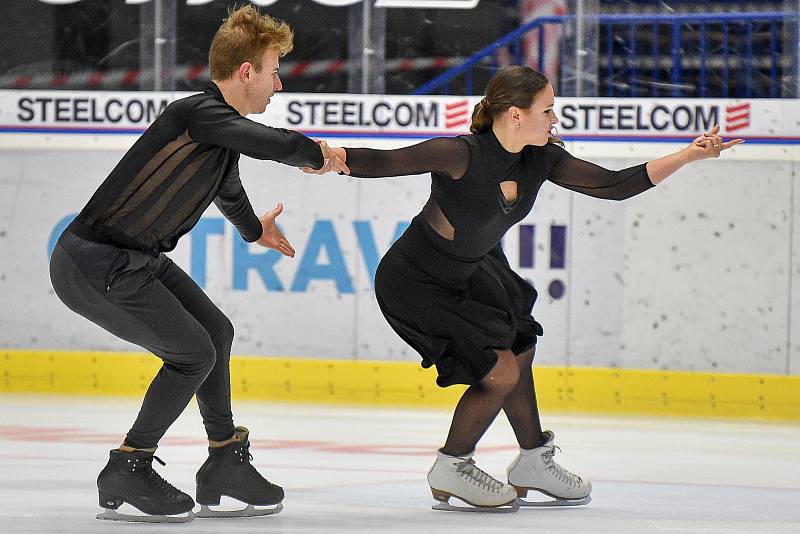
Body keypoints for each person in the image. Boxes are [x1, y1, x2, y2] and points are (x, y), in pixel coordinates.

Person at [303, 66, 742, 512]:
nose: (555, 119)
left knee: (520, 342)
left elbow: (614, 185)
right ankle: (452, 465)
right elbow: (389, 161)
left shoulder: (542, 158)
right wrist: (332, 155)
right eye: (547, 110)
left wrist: (688, 155)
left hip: (474, 268)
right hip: (416, 279)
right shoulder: (462, 154)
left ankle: (532, 458)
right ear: (515, 115)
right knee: (501, 372)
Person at [49, 5, 348, 524]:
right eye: (275, 71)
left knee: (216, 331)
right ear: (246, 70)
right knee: (192, 354)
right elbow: (265, 143)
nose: (278, 86)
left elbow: (227, 187)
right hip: (94, 262)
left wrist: (255, 229)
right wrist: (312, 152)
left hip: (133, 259)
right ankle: (128, 466)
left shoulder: (219, 131)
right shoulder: (196, 113)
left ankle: (223, 463)